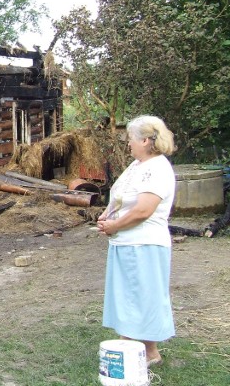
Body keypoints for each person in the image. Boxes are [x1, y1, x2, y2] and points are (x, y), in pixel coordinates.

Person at [97, 115, 177, 367]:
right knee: (128, 295)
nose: (127, 143)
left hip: (145, 243)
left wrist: (115, 225)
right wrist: (107, 214)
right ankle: (129, 345)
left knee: (145, 294)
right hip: (126, 242)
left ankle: (150, 352)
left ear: (145, 140)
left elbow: (144, 210)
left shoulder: (157, 168)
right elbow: (123, 198)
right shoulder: (138, 165)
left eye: (131, 139)